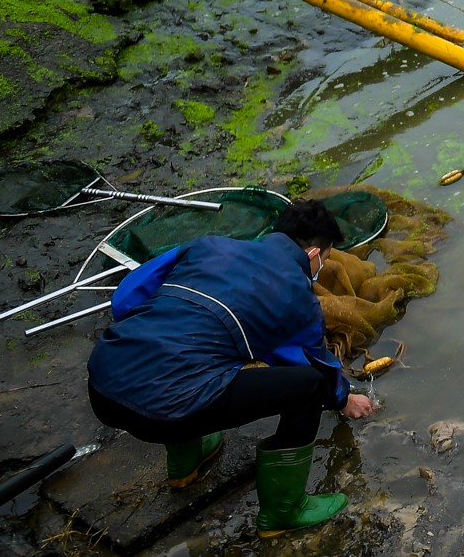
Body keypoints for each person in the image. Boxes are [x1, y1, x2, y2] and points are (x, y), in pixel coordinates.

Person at [87, 200, 376, 538]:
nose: (322, 266)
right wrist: (341, 398)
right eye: (326, 258)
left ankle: (186, 463)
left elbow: (125, 298)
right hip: (167, 412)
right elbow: (309, 363)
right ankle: (284, 510)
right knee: (308, 387)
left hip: (103, 386)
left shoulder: (206, 245)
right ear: (314, 254)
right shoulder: (297, 296)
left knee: (199, 358)